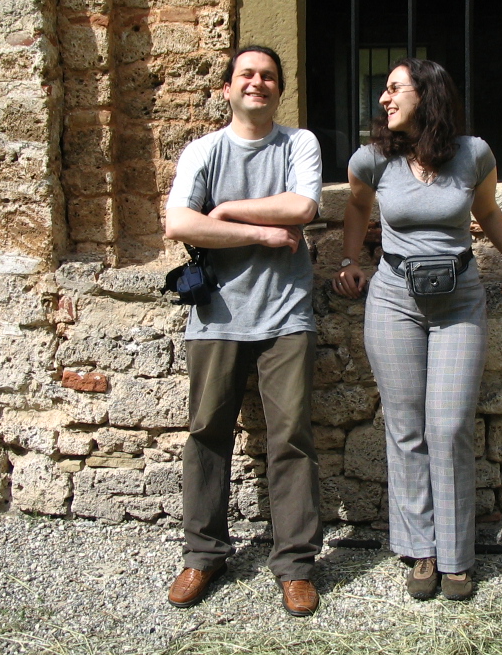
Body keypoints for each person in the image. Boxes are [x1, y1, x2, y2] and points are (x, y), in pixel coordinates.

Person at [332, 58, 502, 601]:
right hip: (394, 300)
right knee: (406, 428)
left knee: (448, 428)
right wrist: (351, 259)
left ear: (427, 95)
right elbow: (356, 207)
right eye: (384, 90)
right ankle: (420, 550)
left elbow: (488, 212)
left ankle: (456, 556)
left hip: (459, 302)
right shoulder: (373, 158)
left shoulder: (474, 153)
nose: (384, 98)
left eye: (394, 88)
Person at [164, 45, 323, 617]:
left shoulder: (298, 143)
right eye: (246, 75)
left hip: (286, 314)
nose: (258, 83)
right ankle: (203, 555)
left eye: (269, 77)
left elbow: (302, 207)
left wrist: (228, 212)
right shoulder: (204, 150)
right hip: (217, 316)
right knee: (207, 432)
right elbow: (179, 222)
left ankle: (296, 566)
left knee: (291, 438)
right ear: (228, 88)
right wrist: (261, 234)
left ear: (280, 89)